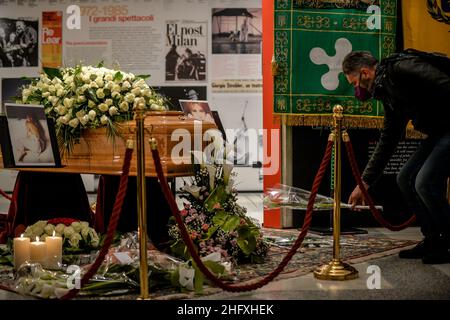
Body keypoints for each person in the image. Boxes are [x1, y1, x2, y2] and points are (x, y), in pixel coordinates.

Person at [343, 50, 450, 264]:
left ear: (364, 72)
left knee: (425, 182)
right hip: (440, 130)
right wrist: (364, 182)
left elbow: (445, 83)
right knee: (405, 178)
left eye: (355, 83)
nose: (357, 90)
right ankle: (433, 239)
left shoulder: (401, 68)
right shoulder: (388, 90)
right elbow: (388, 139)